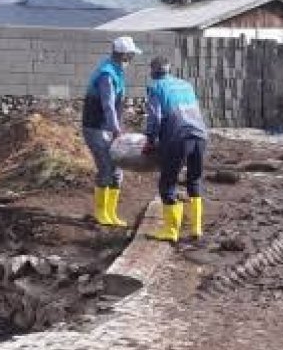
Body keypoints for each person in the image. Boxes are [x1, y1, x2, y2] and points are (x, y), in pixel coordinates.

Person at [143, 56, 208, 243]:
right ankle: (196, 229)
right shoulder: (186, 85)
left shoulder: (156, 87)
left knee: (168, 183)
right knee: (194, 180)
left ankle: (171, 231)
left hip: (179, 137)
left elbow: (155, 117)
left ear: (152, 71)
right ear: (169, 69)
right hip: (200, 135)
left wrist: (149, 139)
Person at [84, 36, 141, 227]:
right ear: (125, 55)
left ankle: (111, 213)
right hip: (96, 128)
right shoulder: (106, 75)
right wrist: (117, 130)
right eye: (131, 55)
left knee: (118, 170)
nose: (132, 59)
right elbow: (107, 105)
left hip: (108, 128)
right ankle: (101, 213)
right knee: (106, 168)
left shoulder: (116, 70)